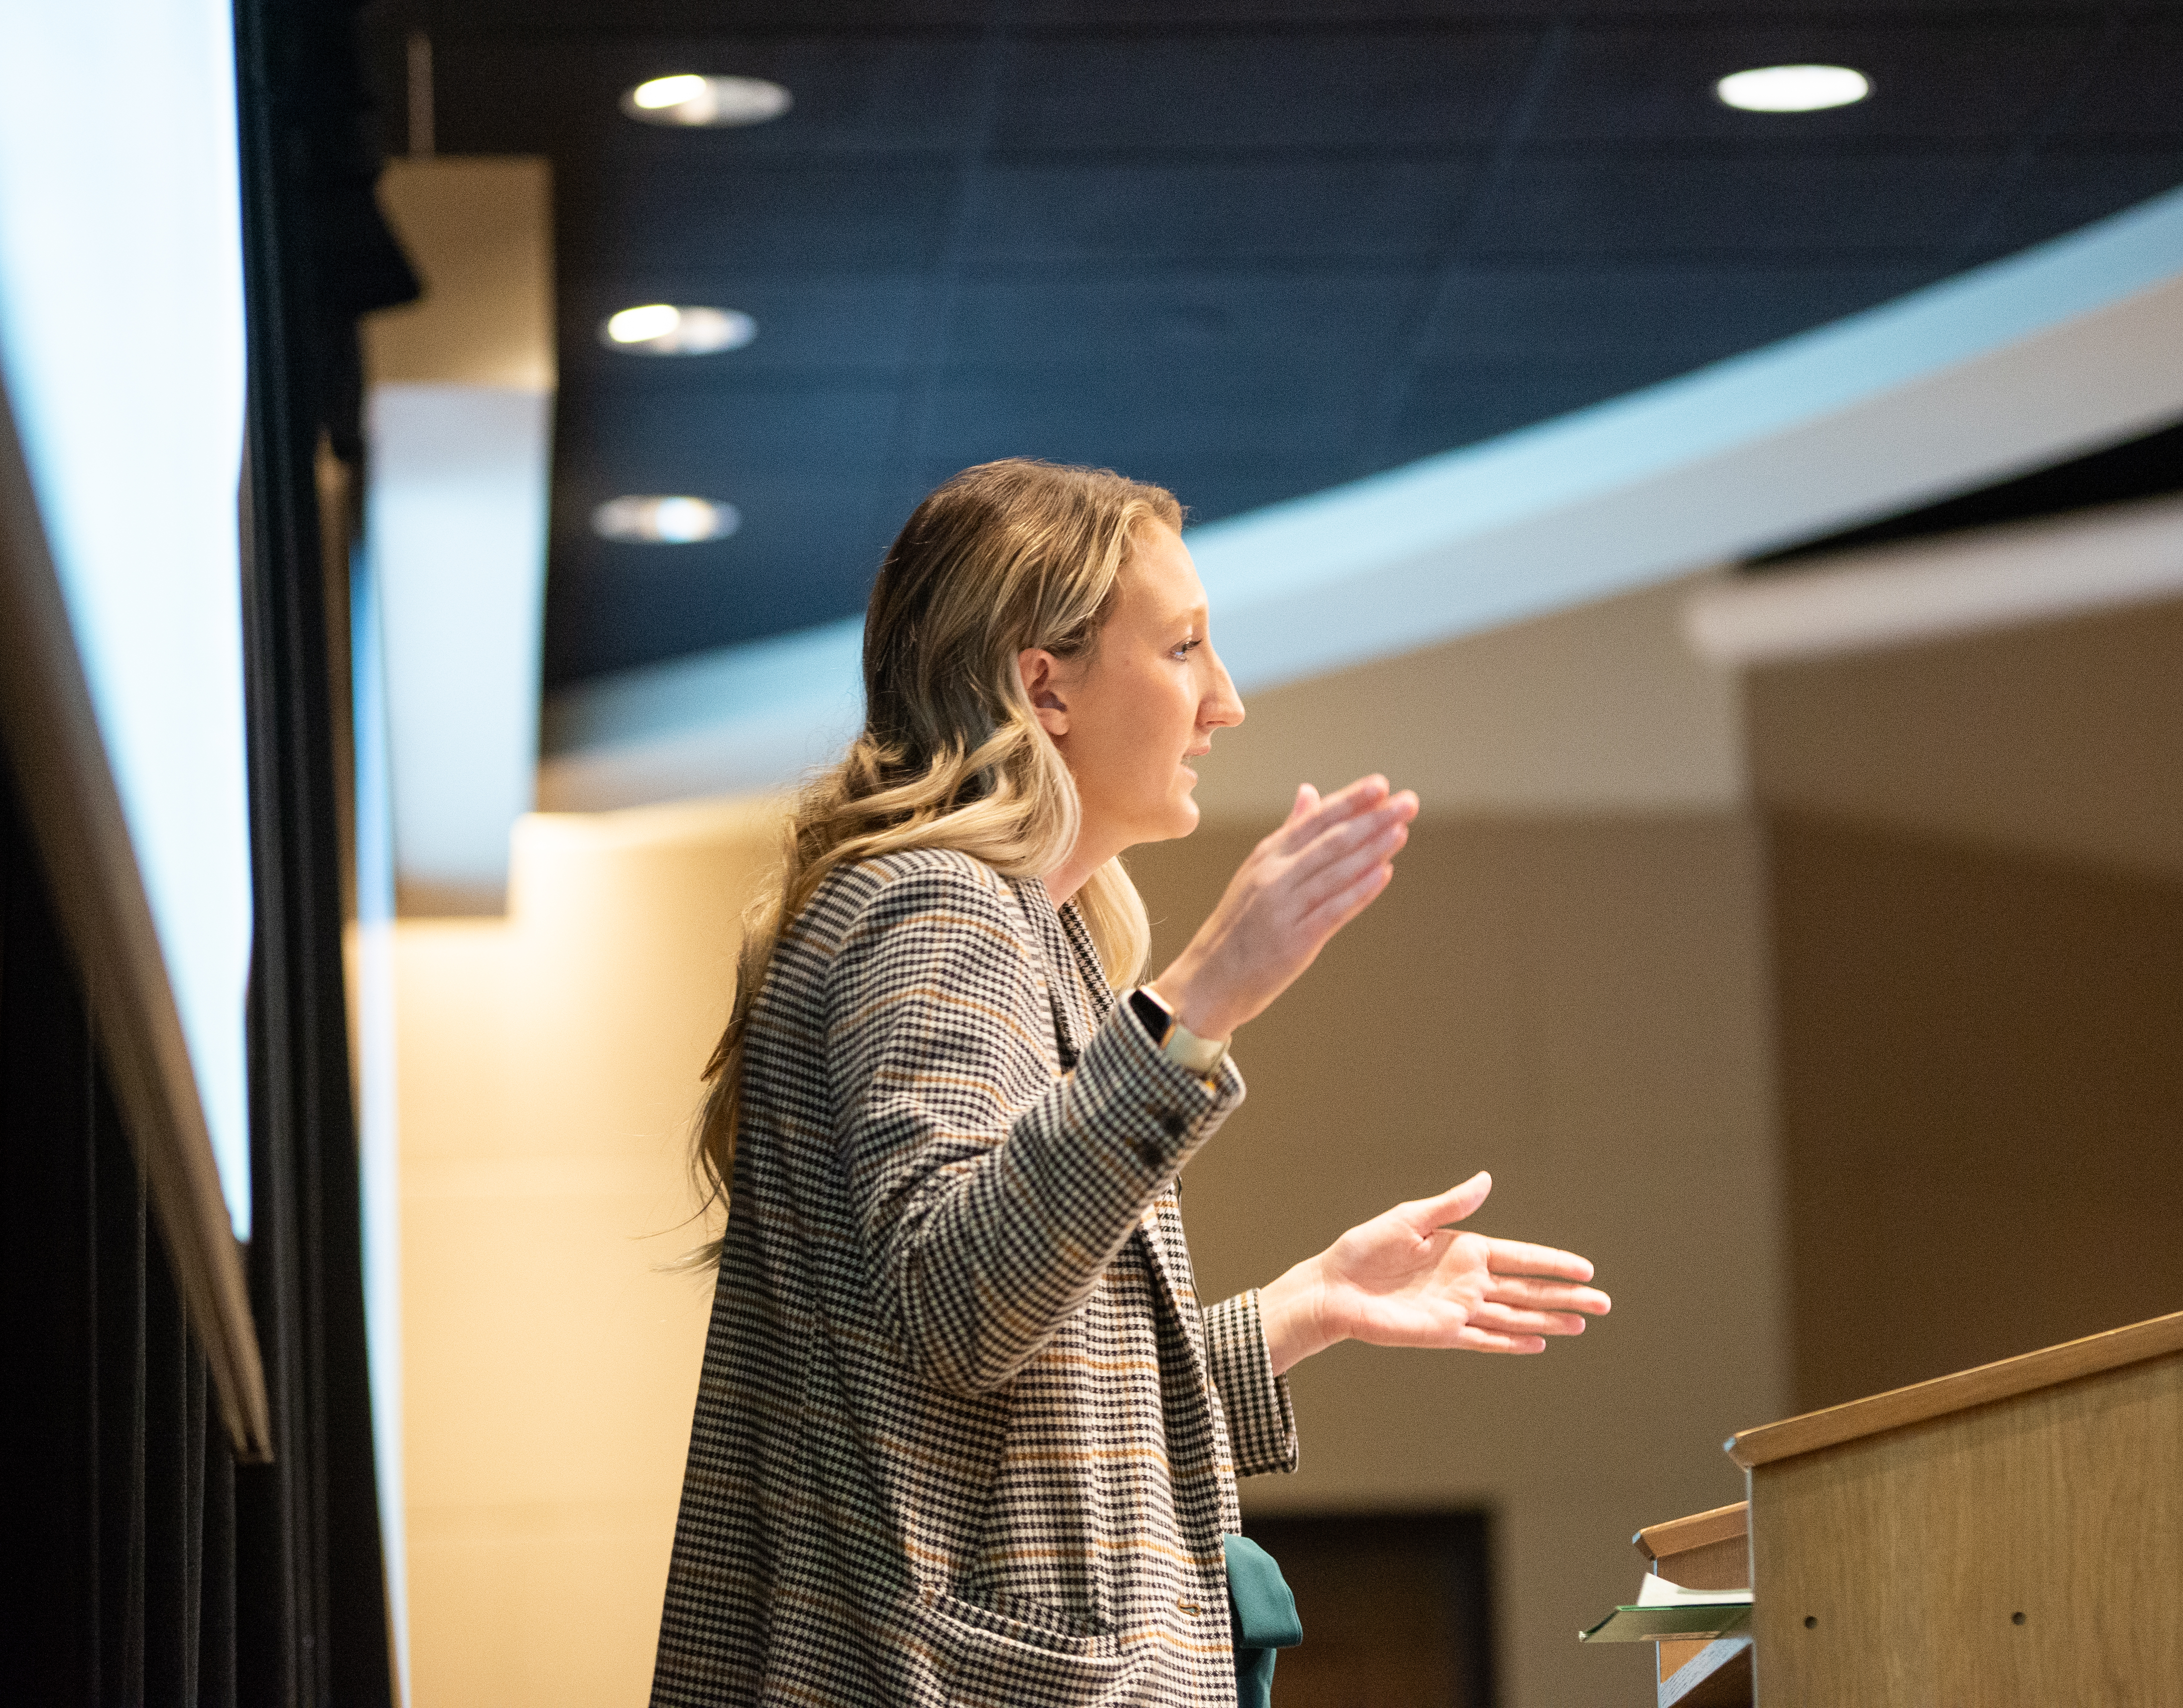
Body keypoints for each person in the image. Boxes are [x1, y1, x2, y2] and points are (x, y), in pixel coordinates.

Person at [651, 460, 1609, 1708]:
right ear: (1042, 683)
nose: (1226, 702)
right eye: (1183, 649)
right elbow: (962, 1304)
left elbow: (1032, 1401)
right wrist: (1200, 996)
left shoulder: (1014, 927)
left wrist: (1311, 1304)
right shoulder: (935, 910)